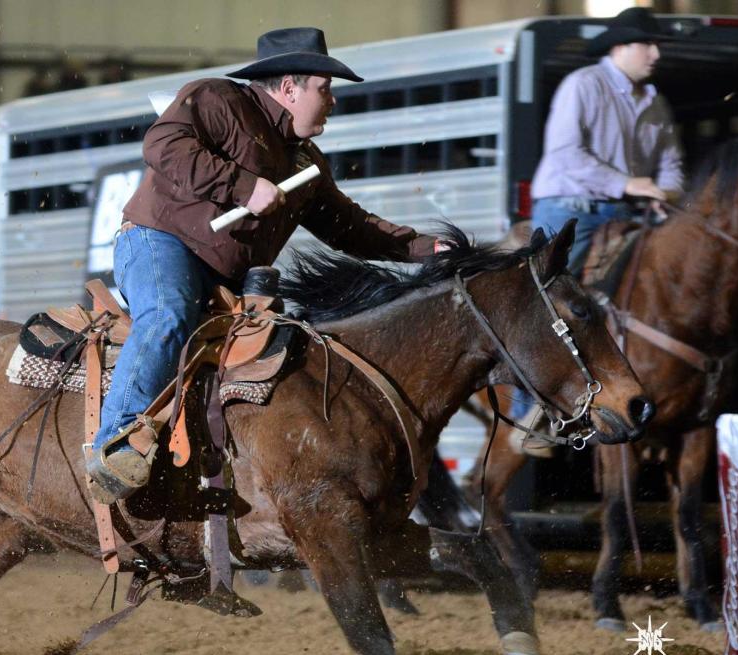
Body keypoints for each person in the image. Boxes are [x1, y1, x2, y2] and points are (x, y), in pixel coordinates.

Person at [86, 27, 446, 502]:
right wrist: (243, 185)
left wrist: (426, 250)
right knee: (168, 315)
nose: (333, 101)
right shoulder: (215, 98)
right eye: (326, 89)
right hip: (159, 243)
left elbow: (350, 228)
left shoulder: (305, 161)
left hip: (226, 276)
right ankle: (113, 446)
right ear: (289, 87)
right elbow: (163, 145)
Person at [530, 6, 683, 274]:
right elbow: (565, 153)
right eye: (647, 44)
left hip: (622, 214)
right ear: (619, 47)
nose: (656, 53)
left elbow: (672, 164)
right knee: (555, 291)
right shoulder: (583, 85)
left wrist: (666, 194)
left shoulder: (658, 105)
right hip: (569, 210)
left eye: (657, 45)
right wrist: (627, 184)